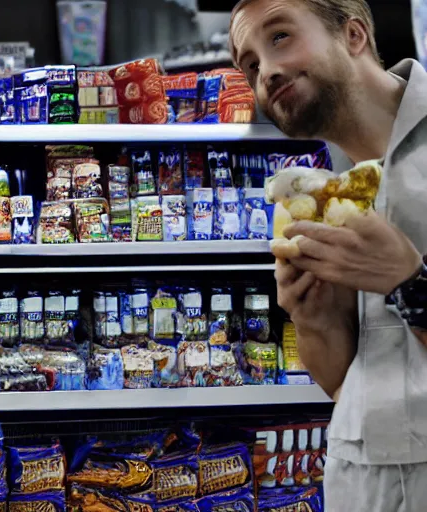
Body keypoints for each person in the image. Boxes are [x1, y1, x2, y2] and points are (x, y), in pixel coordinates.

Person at [229, 0, 427, 511]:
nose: (266, 71)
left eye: (280, 37)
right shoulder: (325, 188)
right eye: (250, 64)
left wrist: (411, 283)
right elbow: (341, 383)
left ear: (354, 35)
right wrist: (311, 318)